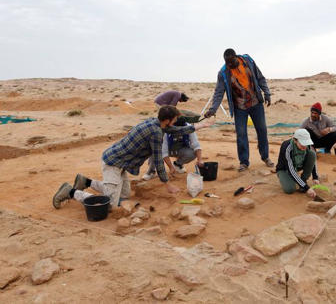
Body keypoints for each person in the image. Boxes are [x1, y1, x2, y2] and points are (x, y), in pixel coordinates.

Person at [52, 106, 211, 210]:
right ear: (168, 120)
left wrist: (198, 126)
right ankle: (71, 192)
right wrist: (167, 184)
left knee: (125, 195)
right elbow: (157, 160)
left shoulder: (155, 123)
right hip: (113, 163)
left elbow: (176, 130)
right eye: (174, 119)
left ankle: (85, 182)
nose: (175, 122)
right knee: (110, 205)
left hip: (121, 163)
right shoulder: (156, 133)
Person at [204, 48, 274, 172]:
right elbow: (219, 92)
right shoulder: (223, 73)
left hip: (255, 103)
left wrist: (267, 93)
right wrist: (213, 109)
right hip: (239, 107)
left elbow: (260, 78)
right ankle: (244, 162)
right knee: (241, 134)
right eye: (227, 63)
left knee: (262, 130)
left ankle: (265, 156)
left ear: (236, 57)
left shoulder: (248, 61)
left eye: (231, 62)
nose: (229, 65)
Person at [276, 129, 317, 199]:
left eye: (306, 144)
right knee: (289, 189)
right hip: (285, 169)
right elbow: (291, 170)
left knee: (312, 154)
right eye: (302, 144)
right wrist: (307, 188)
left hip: (297, 166)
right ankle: (296, 181)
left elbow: (312, 161)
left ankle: (303, 180)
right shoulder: (287, 147)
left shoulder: (307, 146)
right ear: (295, 140)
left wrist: (315, 177)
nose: (305, 147)